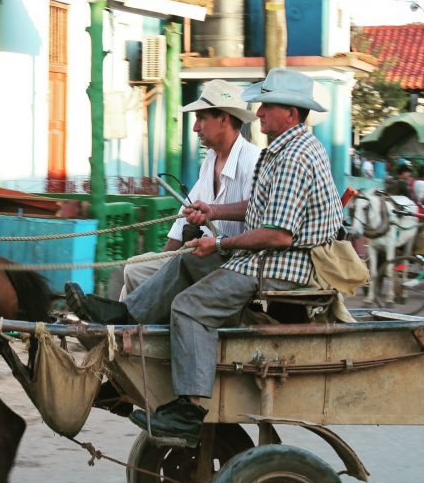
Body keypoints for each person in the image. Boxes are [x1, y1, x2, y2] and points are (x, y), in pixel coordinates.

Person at [69, 68, 342, 445]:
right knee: (185, 261)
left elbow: (279, 235)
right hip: (266, 259)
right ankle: (124, 314)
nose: (259, 113)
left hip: (283, 267)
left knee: (189, 306)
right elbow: (259, 208)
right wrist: (214, 212)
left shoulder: (293, 156)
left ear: (291, 114)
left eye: (267, 106)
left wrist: (220, 245)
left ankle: (190, 408)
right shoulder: (283, 151)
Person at [118, 80, 259, 299]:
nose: (195, 127)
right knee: (138, 266)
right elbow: (185, 214)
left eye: (201, 118)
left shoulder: (252, 160)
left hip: (233, 263)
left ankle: (121, 325)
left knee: (135, 270)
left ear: (223, 118)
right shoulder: (210, 160)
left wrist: (214, 211)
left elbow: (259, 208)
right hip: (202, 256)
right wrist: (165, 259)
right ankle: (119, 325)